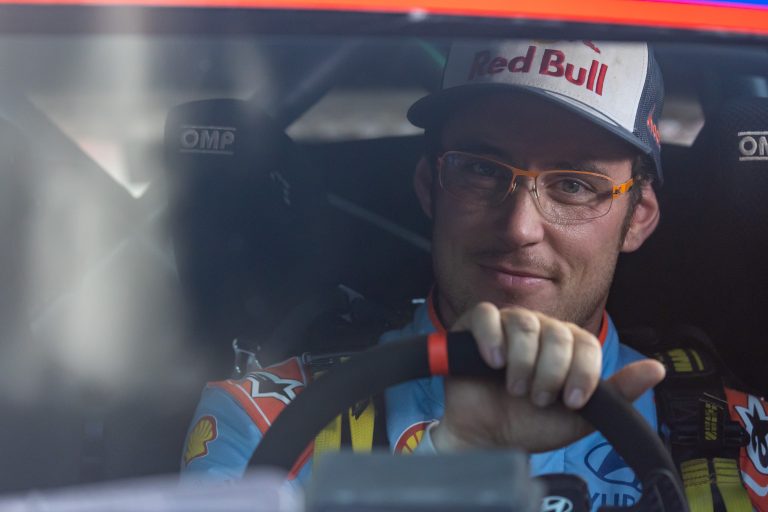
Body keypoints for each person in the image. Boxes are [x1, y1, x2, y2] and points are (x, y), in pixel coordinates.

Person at [181, 39, 667, 509]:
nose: (519, 228)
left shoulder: (711, 430)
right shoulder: (264, 423)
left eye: (574, 185)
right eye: (481, 170)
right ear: (427, 187)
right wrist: (457, 455)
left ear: (638, 218)